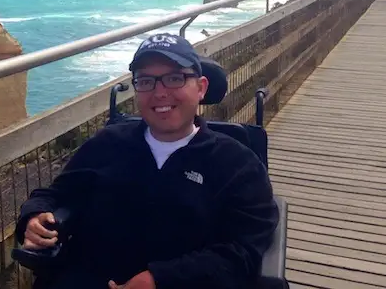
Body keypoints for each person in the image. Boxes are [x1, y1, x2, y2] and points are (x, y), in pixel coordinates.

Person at [15, 33, 279, 289]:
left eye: (175, 78)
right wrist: (35, 216)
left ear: (201, 88)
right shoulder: (108, 144)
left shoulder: (238, 163)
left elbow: (243, 250)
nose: (160, 92)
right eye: (146, 81)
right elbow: (54, 195)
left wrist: (160, 279)